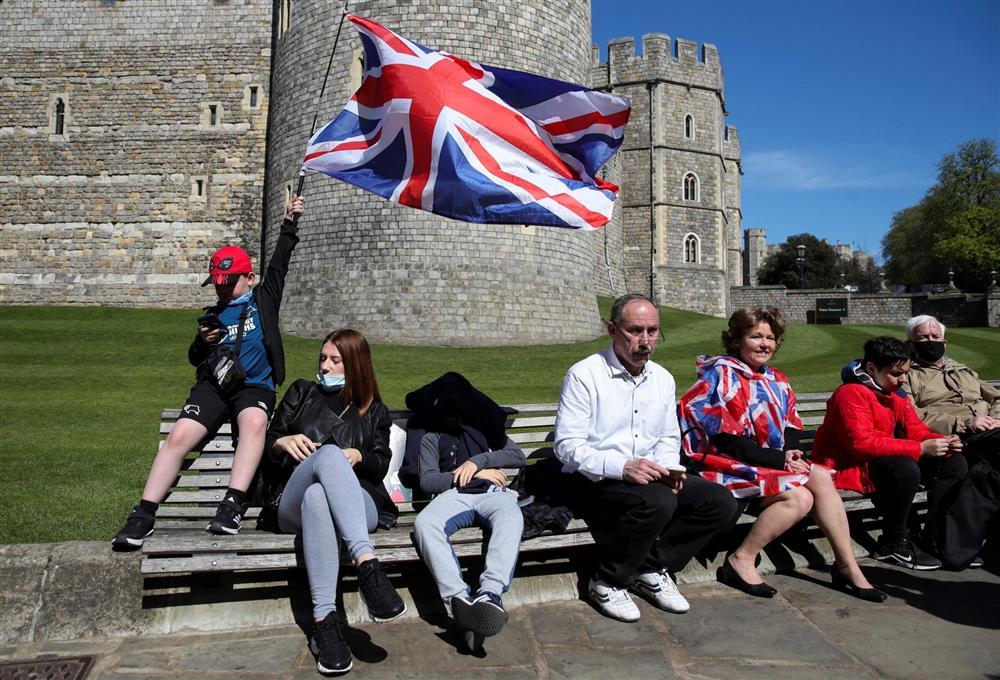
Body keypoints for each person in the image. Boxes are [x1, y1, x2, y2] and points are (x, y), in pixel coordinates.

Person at [113, 196, 305, 549]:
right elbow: (193, 358)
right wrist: (202, 342)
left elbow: (280, 263)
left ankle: (232, 503)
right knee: (178, 436)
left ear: (249, 277)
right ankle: (144, 513)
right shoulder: (213, 315)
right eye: (217, 282)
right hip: (214, 387)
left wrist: (289, 223)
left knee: (253, 424)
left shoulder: (264, 299)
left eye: (228, 282)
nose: (221, 288)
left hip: (253, 386)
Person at [678, 307, 885, 602]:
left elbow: (791, 421)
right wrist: (781, 459)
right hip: (724, 466)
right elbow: (724, 439)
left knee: (807, 491)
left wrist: (789, 451)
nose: (765, 344)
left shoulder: (777, 379)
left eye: (771, 338)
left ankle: (749, 560)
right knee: (812, 484)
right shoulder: (719, 376)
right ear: (736, 340)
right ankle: (845, 567)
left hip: (763, 465)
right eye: (756, 336)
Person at [554, 294, 737, 622]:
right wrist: (622, 467)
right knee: (658, 501)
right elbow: (567, 446)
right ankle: (607, 580)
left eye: (652, 331)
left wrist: (670, 467)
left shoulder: (662, 378)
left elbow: (668, 436)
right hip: (594, 479)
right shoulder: (585, 375)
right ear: (612, 329)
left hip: (647, 476)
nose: (645, 341)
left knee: (720, 501)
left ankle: (650, 568)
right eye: (635, 330)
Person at [259, 329, 406, 675]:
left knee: (319, 496)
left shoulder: (374, 411)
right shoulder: (301, 391)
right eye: (323, 358)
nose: (325, 366)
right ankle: (368, 565)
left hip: (357, 501)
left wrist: (359, 455)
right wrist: (282, 443)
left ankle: (325, 622)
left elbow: (382, 462)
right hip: (291, 496)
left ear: (355, 365)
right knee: (324, 460)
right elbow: (266, 443)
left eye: (335, 360)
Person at [812, 336, 964, 571]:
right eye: (896, 373)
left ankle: (935, 537)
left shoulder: (895, 393)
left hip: (881, 460)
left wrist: (941, 441)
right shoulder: (851, 393)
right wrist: (921, 448)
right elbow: (860, 444)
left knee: (953, 463)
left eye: (906, 372)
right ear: (871, 368)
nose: (903, 379)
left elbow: (915, 429)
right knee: (904, 469)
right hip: (851, 465)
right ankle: (892, 542)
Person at [407, 373, 525, 649]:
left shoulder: (483, 429)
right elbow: (427, 479)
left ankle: (490, 595)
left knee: (511, 516)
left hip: (491, 493)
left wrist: (478, 461)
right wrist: (471, 474)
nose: (452, 416)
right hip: (455, 494)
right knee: (426, 523)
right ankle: (459, 600)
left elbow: (517, 456)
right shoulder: (431, 437)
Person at [903, 314, 996, 567]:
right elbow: (912, 415)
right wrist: (965, 423)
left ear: (945, 341)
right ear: (910, 342)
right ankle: (951, 544)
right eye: (923, 337)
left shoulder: (963, 370)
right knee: (967, 468)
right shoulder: (908, 375)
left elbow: (996, 397)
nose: (930, 341)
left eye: (936, 337)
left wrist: (996, 419)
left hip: (989, 433)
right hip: (953, 438)